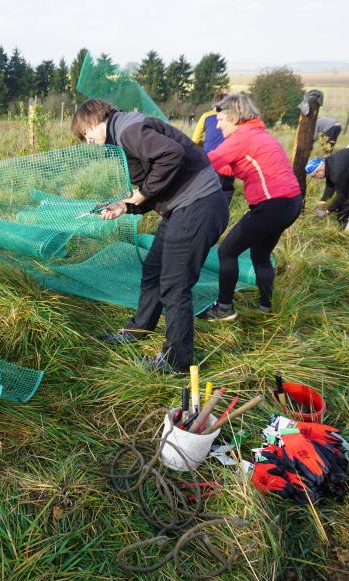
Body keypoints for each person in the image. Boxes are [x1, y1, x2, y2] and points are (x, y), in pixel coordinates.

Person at [71, 99, 229, 375]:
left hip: (198, 207)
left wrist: (140, 195)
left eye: (87, 133)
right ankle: (138, 328)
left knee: (174, 285)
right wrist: (126, 205)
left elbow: (172, 156)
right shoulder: (125, 131)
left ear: (96, 119)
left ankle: (176, 362)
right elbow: (158, 179)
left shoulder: (127, 131)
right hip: (181, 209)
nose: (89, 141)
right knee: (154, 270)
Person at [198, 94, 302, 321]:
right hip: (291, 203)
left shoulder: (242, 136)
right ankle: (265, 307)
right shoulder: (258, 134)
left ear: (234, 117)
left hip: (272, 204)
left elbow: (205, 162)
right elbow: (230, 167)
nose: (217, 124)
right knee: (261, 254)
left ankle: (224, 308)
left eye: (221, 119)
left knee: (227, 251)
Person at [192, 93, 235, 202]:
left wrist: (205, 146)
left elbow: (195, 140)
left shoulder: (206, 116)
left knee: (205, 192)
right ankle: (223, 216)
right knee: (226, 191)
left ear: (214, 104)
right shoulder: (234, 117)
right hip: (228, 162)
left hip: (209, 160)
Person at [306, 148, 349, 225]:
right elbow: (330, 184)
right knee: (347, 196)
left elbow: (342, 196)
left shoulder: (337, 171)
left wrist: (328, 211)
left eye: (314, 175)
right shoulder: (329, 163)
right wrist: (323, 201)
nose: (314, 178)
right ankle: (343, 223)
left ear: (320, 169)